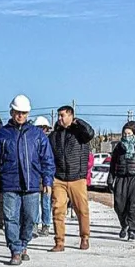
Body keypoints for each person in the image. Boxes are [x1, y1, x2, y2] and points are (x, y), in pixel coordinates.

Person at [0, 94, 55, 266]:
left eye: (23, 112)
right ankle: (15, 249)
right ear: (11, 111)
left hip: (31, 184)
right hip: (9, 184)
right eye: (17, 112)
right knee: (11, 218)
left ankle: (24, 244)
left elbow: (47, 159)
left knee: (30, 218)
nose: (20, 115)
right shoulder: (2, 134)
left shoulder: (37, 135)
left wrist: (47, 181)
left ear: (28, 113)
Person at [49, 105, 95, 251]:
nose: (60, 118)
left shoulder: (80, 133)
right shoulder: (54, 135)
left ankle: (85, 237)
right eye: (59, 116)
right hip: (59, 178)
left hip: (77, 178)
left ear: (71, 116)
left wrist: (77, 122)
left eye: (63, 115)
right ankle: (59, 241)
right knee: (57, 209)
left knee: (82, 210)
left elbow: (90, 133)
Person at [109, 120, 135, 242]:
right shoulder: (119, 147)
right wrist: (110, 179)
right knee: (119, 205)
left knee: (133, 206)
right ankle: (124, 224)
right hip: (121, 178)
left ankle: (132, 230)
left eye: (129, 133)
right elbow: (113, 164)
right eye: (124, 133)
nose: (126, 136)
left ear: (134, 134)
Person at [32, 116, 54, 236]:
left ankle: (46, 225)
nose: (42, 130)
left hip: (46, 177)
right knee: (34, 202)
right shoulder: (31, 141)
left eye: (43, 128)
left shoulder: (49, 142)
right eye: (39, 128)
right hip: (35, 177)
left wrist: (49, 178)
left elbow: (50, 162)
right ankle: (34, 225)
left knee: (46, 203)